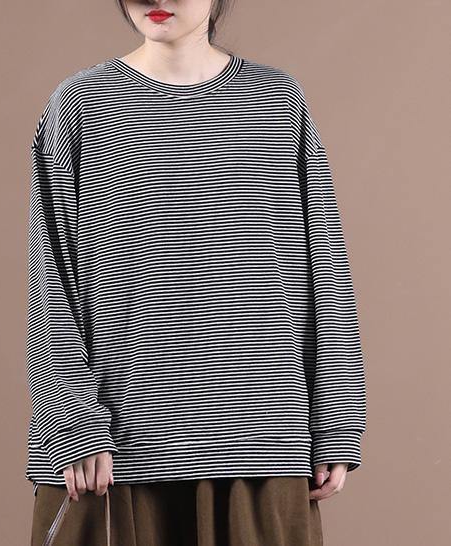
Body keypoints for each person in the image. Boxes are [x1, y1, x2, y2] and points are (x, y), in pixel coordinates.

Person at [25, 1, 367, 544]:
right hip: (117, 445)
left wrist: (338, 418)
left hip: (262, 440)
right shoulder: (78, 105)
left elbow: (324, 268)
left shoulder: (279, 99)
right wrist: (72, 419)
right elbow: (52, 275)